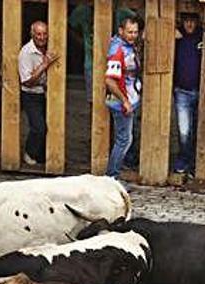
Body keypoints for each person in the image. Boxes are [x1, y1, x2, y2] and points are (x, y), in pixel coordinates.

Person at [68, 2, 137, 104]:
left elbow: (139, 23)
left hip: (118, 63)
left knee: (118, 100)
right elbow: (69, 26)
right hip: (91, 63)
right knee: (94, 100)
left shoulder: (121, 12)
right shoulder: (82, 11)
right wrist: (83, 42)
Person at [104, 15, 141, 180]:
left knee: (126, 139)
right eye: (129, 32)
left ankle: (113, 175)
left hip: (129, 99)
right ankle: (112, 177)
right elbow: (110, 80)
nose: (133, 35)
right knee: (123, 140)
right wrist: (125, 101)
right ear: (121, 31)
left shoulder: (127, 46)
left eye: (135, 32)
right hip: (121, 102)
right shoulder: (118, 50)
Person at [18, 21, 58, 166]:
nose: (42, 37)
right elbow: (26, 81)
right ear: (32, 34)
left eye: (44, 34)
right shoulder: (26, 52)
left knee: (50, 126)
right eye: (38, 34)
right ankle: (29, 153)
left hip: (46, 93)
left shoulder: (50, 46)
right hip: (31, 94)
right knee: (38, 127)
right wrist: (44, 64)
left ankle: (41, 156)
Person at [172, 13, 202, 177]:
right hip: (182, 91)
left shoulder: (203, 37)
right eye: (187, 21)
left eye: (193, 20)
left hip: (202, 91)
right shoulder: (177, 38)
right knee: (184, 131)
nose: (189, 24)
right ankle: (184, 160)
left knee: (200, 130)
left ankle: (195, 164)